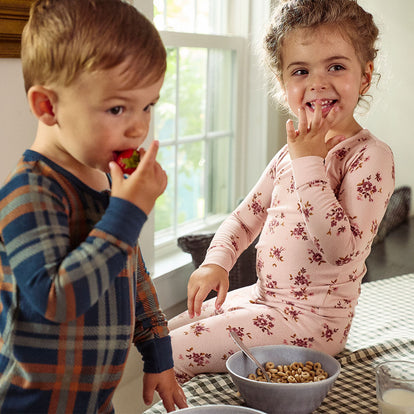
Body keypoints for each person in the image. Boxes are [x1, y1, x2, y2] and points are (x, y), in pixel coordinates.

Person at [169, 0, 395, 384]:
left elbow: (341, 251)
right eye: (301, 70)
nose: (318, 82)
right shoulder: (289, 153)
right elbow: (245, 217)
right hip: (265, 299)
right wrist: (217, 262)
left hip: (313, 323)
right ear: (283, 84)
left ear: (364, 77)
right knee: (162, 332)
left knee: (171, 352)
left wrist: (309, 163)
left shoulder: (370, 156)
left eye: (336, 67)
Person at [0, 0, 187, 412]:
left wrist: (158, 353)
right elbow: (56, 301)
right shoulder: (29, 193)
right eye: (118, 108)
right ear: (48, 107)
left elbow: (129, 270)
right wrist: (128, 212)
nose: (139, 127)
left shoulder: (107, 180)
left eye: (148, 105)